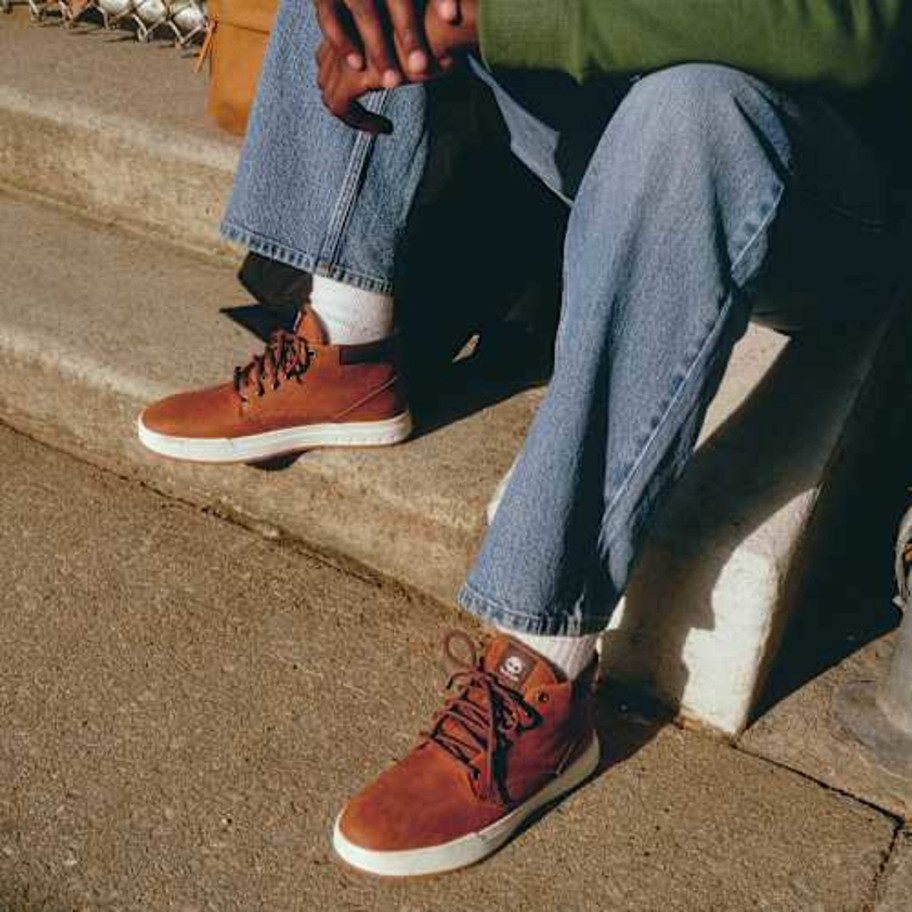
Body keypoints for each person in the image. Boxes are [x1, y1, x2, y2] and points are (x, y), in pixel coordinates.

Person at [137, 0, 908, 877]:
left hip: (820, 193)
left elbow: (849, 32)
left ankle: (540, 669)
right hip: (634, 122)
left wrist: (497, 18)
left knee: (694, 109)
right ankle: (345, 345)